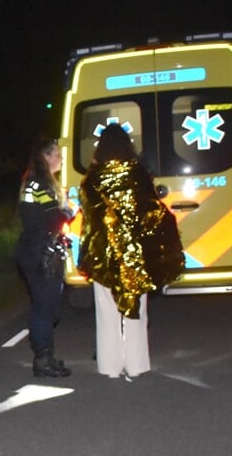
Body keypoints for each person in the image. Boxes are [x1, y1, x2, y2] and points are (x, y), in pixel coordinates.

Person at [77, 123, 183, 379]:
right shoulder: (138, 174)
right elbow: (151, 211)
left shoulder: (92, 179)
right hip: (134, 254)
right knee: (137, 309)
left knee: (106, 312)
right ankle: (137, 365)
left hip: (104, 255)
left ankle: (109, 367)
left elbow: (89, 216)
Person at [15, 138, 75, 377]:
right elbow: (53, 219)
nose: (61, 159)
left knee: (46, 306)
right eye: (58, 155)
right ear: (46, 157)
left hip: (35, 249)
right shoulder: (40, 184)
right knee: (44, 307)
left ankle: (46, 355)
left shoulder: (34, 183)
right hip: (40, 251)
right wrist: (71, 208)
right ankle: (42, 360)